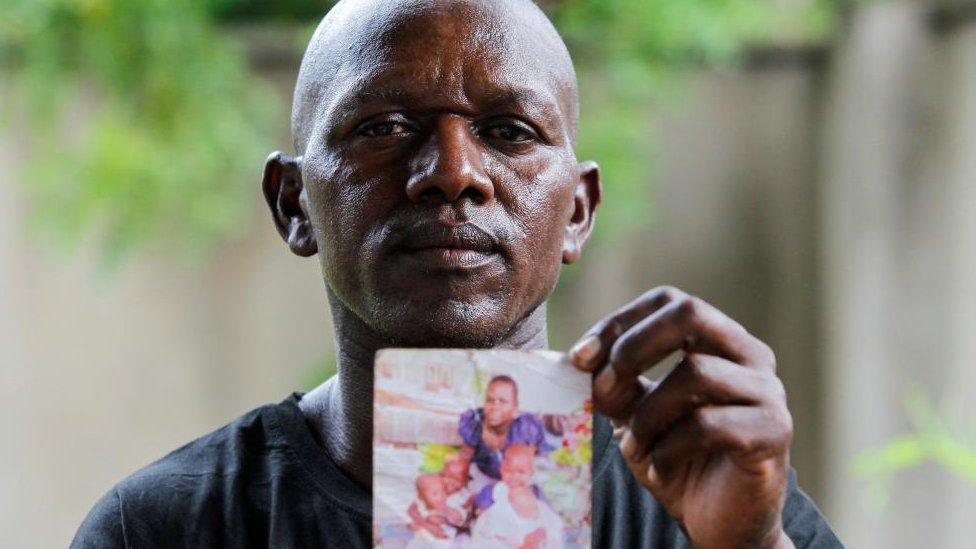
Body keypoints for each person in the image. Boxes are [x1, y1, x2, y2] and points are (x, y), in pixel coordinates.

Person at [71, 0, 843, 547]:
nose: (453, 171)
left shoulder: (720, 503)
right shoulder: (163, 527)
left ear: (577, 211)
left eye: (508, 131)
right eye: (383, 127)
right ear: (293, 202)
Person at [458, 375, 550, 484]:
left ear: (515, 409)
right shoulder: (475, 423)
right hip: (484, 477)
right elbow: (464, 460)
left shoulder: (525, 428)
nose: (495, 407)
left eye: (503, 402)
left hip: (519, 481)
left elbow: (532, 463)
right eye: (490, 400)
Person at [470, 445, 563, 549]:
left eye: (521, 472)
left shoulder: (536, 493)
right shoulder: (492, 491)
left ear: (531, 473)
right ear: (501, 469)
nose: (514, 477)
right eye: (509, 471)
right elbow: (484, 521)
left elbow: (546, 517)